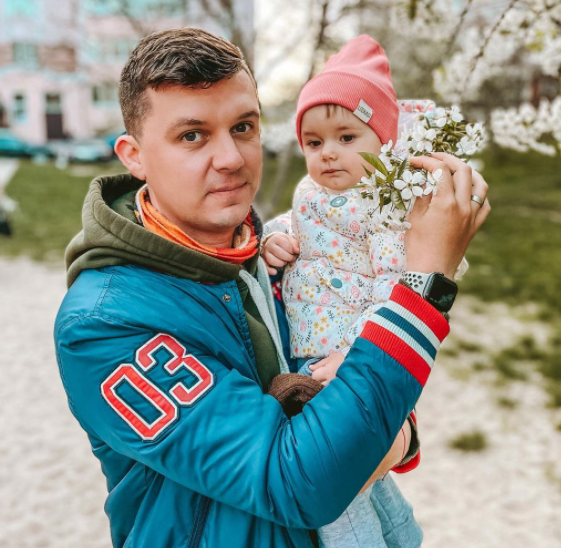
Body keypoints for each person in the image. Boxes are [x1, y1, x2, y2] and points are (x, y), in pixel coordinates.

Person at [54, 28, 490, 548]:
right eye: (192, 135)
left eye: (243, 126)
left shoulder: (269, 250)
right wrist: (423, 287)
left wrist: (397, 434)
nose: (232, 159)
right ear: (134, 154)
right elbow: (299, 479)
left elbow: (343, 381)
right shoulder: (103, 323)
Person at [261, 36, 471, 548]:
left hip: (350, 360)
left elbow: (391, 289)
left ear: (384, 143)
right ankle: (404, 536)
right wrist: (273, 241)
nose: (328, 153)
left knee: (338, 491)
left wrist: (355, 355)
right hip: (312, 356)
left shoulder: (385, 213)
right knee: (363, 479)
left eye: (347, 137)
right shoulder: (312, 197)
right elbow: (298, 226)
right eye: (314, 143)